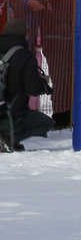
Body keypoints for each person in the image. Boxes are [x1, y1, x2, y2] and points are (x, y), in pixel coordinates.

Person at [1, 15, 53, 151]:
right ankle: (7, 137)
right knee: (46, 123)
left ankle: (6, 137)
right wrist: (43, 82)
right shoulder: (25, 55)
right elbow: (34, 89)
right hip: (10, 112)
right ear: (25, 34)